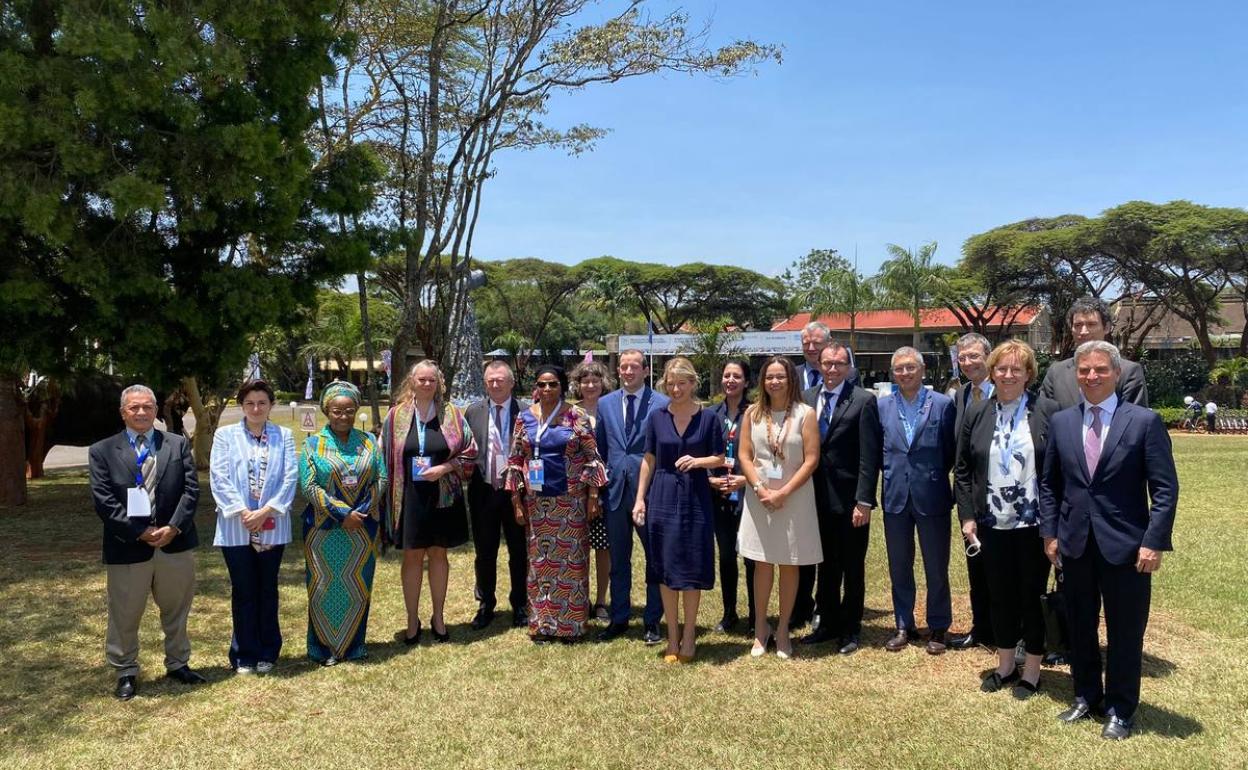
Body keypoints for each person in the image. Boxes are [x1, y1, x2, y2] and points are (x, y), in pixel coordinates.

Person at [1039, 340, 1179, 740]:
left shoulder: (1144, 421)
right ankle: (1086, 696)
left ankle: (1120, 708)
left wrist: (1154, 541)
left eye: (1100, 369)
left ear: (1117, 374)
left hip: (1128, 547)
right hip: (1075, 544)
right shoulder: (1064, 422)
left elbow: (1165, 489)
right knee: (1080, 626)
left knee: (1124, 631)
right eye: (1084, 370)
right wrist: (1050, 533)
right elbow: (1050, 485)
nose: (1092, 376)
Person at [955, 341, 1058, 699]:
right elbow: (964, 470)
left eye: (1017, 369)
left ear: (1029, 374)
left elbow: (1057, 471)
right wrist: (967, 516)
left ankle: (1031, 669)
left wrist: (1055, 526)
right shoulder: (977, 412)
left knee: (1030, 595)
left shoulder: (1048, 411)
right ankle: (1004, 665)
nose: (1008, 375)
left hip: (1033, 523)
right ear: (992, 371)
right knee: (998, 595)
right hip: (990, 523)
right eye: (1001, 368)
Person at [90, 384, 203, 701]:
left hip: (174, 543)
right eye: (134, 407)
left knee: (177, 609)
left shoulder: (177, 444)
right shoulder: (102, 451)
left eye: (147, 406)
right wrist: (138, 532)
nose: (141, 412)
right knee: (124, 613)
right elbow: (104, 501)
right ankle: (126, 670)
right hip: (127, 546)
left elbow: (191, 492)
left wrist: (173, 528)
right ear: (123, 412)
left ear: (156, 410)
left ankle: (178, 663)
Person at [632, 357, 725, 662]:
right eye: (670, 383)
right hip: (662, 496)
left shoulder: (709, 418)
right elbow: (649, 459)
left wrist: (698, 462)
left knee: (691, 566)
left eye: (681, 383)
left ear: (692, 383)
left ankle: (689, 637)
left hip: (696, 498)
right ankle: (671, 637)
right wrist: (640, 498)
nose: (675, 389)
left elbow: (720, 458)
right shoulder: (657, 417)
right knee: (665, 566)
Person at [506, 365, 607, 643]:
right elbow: (515, 460)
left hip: (571, 502)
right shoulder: (523, 418)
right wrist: (516, 501)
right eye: (542, 384)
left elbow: (592, 457)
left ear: (562, 386)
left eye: (552, 384)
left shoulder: (576, 416)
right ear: (536, 387)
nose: (547, 389)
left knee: (572, 563)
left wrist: (593, 497)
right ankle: (542, 624)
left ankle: (572, 625)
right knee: (541, 563)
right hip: (537, 505)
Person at [382, 361, 478, 645]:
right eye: (421, 380)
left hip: (443, 497)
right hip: (408, 496)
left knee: (438, 554)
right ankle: (412, 619)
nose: (426, 384)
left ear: (439, 383)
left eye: (431, 380)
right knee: (412, 556)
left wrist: (446, 468)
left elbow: (471, 451)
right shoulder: (395, 417)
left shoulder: (452, 415)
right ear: (411, 382)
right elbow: (383, 455)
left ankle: (438, 616)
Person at [798, 342, 882, 654]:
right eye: (827, 363)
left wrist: (864, 501)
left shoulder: (863, 401)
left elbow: (868, 457)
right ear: (818, 365)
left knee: (852, 566)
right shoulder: (806, 399)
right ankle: (828, 623)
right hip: (815, 499)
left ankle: (851, 628)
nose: (832, 369)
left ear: (848, 368)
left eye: (839, 364)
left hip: (850, 502)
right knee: (826, 565)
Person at [209, 380, 297, 675]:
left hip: (272, 525)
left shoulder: (283, 436)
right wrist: (245, 512)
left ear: (271, 405)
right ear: (241, 406)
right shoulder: (225, 436)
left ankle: (268, 651)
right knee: (244, 590)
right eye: (250, 403)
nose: (256, 408)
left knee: (267, 588)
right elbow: (219, 477)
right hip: (236, 525)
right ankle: (244, 653)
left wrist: (267, 510)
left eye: (262, 403)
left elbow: (290, 476)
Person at [737, 356, 822, 659]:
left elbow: (811, 458)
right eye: (770, 377)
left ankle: (783, 628)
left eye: (780, 377)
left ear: (791, 380)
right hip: (759, 497)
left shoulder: (805, 414)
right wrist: (761, 488)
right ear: (763, 381)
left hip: (794, 497)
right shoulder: (753, 413)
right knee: (761, 563)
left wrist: (783, 491)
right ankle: (761, 628)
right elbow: (745, 456)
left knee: (789, 563)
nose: (775, 382)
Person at [299, 381, 386, 665]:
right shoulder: (313, 445)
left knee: (358, 586)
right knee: (323, 586)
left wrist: (359, 512)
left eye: (349, 410)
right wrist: (341, 513)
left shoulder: (369, 442)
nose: (344, 415)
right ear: (327, 410)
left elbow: (381, 479)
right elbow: (309, 486)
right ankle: (322, 649)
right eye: (337, 410)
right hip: (324, 532)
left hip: (361, 531)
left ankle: (354, 645)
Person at [878, 347, 957, 654]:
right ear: (892, 372)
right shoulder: (882, 406)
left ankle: (938, 625)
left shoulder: (942, 404)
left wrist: (932, 475)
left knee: (936, 564)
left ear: (922, 370)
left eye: (911, 367)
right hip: (895, 495)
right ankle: (903, 623)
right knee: (899, 564)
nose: (905, 373)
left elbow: (949, 450)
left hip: (932, 494)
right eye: (899, 368)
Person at [595, 349, 670, 644]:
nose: (628, 372)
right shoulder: (605, 403)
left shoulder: (661, 403)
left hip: (649, 493)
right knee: (618, 560)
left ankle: (652, 620)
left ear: (645, 370)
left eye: (634, 367)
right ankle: (619, 617)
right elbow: (602, 448)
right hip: (614, 493)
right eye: (623, 367)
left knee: (654, 558)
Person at [465, 361, 528, 630]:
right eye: (490, 380)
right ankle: (486, 604)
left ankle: (521, 604)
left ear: (511, 383)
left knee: (519, 551)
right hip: (484, 490)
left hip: (517, 494)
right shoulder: (473, 412)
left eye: (500, 379)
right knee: (485, 552)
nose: (495, 384)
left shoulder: (527, 411)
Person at [949, 332, 995, 650]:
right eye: (962, 358)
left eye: (974, 356)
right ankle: (982, 629)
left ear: (989, 357)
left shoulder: (1008, 391)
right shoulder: (962, 394)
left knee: (1006, 569)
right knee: (976, 563)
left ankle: (1013, 631)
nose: (967, 363)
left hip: (1004, 496)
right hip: (970, 494)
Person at [708, 358, 755, 632]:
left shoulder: (757, 413)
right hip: (720, 497)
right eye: (726, 375)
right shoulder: (711, 414)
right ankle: (729, 614)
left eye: (736, 376)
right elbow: (703, 448)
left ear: (746, 382)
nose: (730, 380)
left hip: (748, 495)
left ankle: (754, 616)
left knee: (750, 557)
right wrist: (711, 480)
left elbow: (764, 455)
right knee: (726, 557)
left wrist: (745, 479)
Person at [1040, 297, 1148, 409]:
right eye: (1078, 325)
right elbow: (1044, 421)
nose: (1083, 332)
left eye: (1091, 324)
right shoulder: (1056, 373)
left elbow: (1135, 422)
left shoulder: (1128, 372)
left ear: (1106, 328)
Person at [570, 360, 616, 623]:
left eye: (595, 381)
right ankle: (579, 598)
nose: (590, 385)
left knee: (602, 547)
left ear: (603, 383)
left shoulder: (610, 410)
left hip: (605, 489)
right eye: (585, 381)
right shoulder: (569, 412)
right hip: (576, 490)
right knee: (577, 547)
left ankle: (601, 601)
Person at [797, 321, 831, 391]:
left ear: (829, 343)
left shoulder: (846, 375)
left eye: (816, 343)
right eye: (806, 343)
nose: (811, 348)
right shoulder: (791, 374)